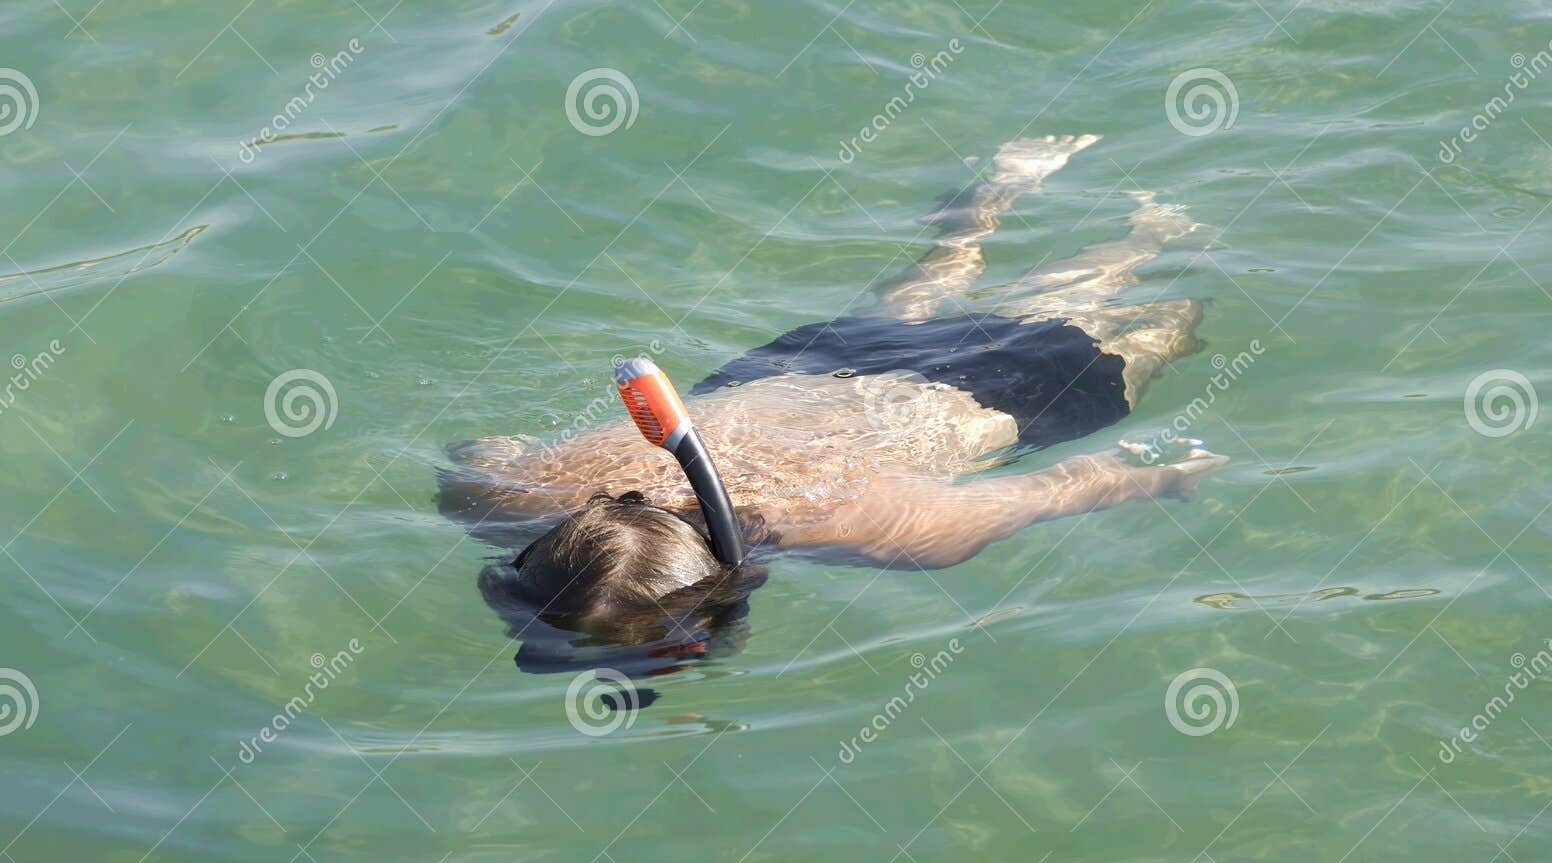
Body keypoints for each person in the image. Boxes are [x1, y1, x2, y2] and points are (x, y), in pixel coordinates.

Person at [440, 135, 1224, 672]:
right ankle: (991, 193)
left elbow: (1075, 481)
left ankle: (1162, 224)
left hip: (982, 394)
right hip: (793, 372)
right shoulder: (513, 493)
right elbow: (478, 453)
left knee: (1151, 303)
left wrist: (1167, 476)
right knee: (917, 293)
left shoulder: (890, 529)